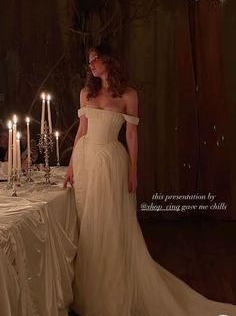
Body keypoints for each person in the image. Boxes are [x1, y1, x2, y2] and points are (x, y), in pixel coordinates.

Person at [64, 42, 236, 316]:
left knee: (110, 224)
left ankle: (112, 291)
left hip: (111, 163)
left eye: (96, 59)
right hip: (86, 162)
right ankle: (88, 290)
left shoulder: (128, 95)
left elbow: (132, 136)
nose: (91, 64)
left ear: (109, 60)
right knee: (89, 225)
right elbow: (82, 131)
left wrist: (133, 171)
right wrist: (71, 165)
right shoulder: (86, 93)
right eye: (89, 60)